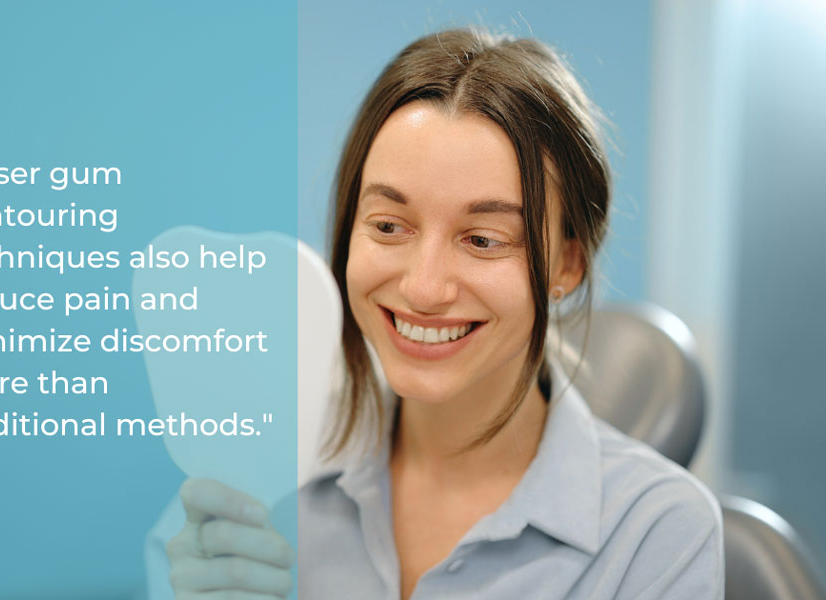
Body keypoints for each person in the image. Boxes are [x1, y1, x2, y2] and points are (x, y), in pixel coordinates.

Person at [148, 28, 724, 599]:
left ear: (567, 265)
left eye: (482, 239)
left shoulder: (660, 535)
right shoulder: (250, 485)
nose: (423, 289)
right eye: (389, 226)